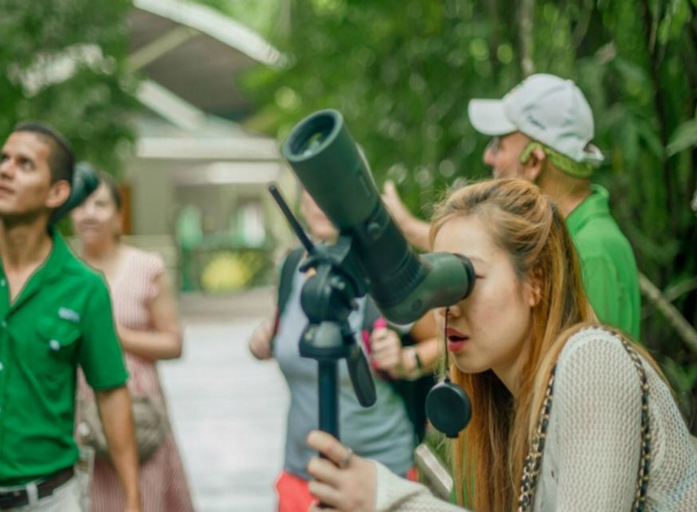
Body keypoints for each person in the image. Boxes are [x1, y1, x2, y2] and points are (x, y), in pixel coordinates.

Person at [303, 179, 697, 511]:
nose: (447, 306)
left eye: (465, 278)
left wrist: (389, 499)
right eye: (436, 280)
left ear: (535, 282)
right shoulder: (513, 401)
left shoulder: (593, 361)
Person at [0, 123, 141, 512]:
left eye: (25, 164)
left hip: (47, 501)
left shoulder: (84, 287)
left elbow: (111, 392)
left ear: (58, 192)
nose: (4, 171)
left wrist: (132, 500)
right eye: (3, 160)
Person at [383, 74, 640, 340]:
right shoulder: (561, 236)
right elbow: (483, 256)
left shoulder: (589, 251)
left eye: (499, 145)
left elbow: (589, 370)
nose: (488, 157)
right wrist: (406, 227)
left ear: (534, 163)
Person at [248, 190, 441, 512]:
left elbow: (446, 337)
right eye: (311, 190)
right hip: (302, 475)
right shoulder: (292, 267)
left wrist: (409, 361)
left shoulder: (383, 273)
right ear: (299, 200)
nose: (322, 202)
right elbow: (279, 332)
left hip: (381, 480)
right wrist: (262, 341)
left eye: (328, 188)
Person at [70, 172, 195, 511]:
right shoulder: (63, 269)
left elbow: (174, 343)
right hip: (77, 417)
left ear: (118, 215)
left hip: (140, 418)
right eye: (80, 205)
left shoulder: (145, 267)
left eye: (100, 204)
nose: (89, 213)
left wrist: (117, 337)